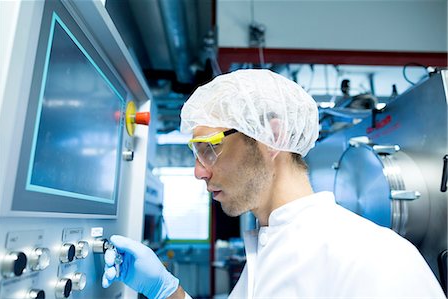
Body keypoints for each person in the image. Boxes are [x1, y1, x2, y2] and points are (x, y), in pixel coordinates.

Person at [102, 69, 446, 299]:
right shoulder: (267, 248)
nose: (199, 171)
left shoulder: (377, 260)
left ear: (273, 137)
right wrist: (166, 290)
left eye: (209, 148)